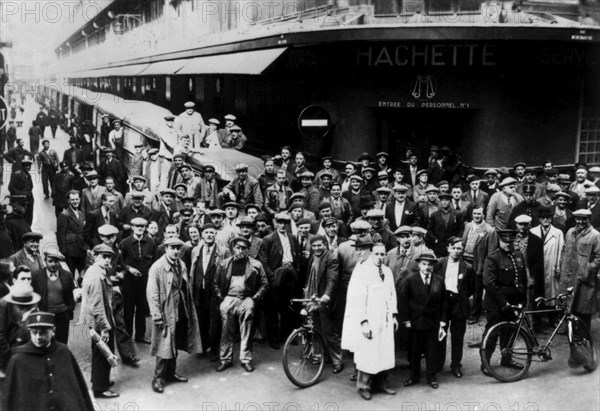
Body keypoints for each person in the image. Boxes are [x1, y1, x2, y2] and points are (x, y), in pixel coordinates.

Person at [342, 239, 398, 400]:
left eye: (382, 254)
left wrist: (393, 315)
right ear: (371, 254)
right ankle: (363, 386)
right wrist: (364, 322)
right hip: (370, 319)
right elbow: (357, 300)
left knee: (384, 351)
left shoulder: (387, 271)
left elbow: (391, 294)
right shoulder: (362, 271)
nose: (380, 257)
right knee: (368, 353)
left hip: (385, 319)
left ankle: (381, 383)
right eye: (377, 254)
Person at [3, 312, 94, 411]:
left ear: (53, 331)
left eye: (43, 332)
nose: (38, 337)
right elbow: (10, 399)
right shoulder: (18, 359)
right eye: (34, 332)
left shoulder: (63, 352)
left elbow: (78, 390)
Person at [147, 237, 202, 393]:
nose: (176, 251)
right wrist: (157, 315)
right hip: (166, 311)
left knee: (175, 343)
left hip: (180, 309)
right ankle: (158, 378)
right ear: (166, 249)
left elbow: (185, 287)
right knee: (164, 346)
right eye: (173, 248)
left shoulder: (181, 264)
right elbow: (152, 293)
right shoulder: (157, 268)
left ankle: (171, 374)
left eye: (178, 248)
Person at [214, 237, 268, 372]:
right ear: (233, 248)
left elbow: (264, 283)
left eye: (244, 248)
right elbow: (215, 283)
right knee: (226, 331)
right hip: (229, 299)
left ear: (248, 250)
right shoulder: (224, 264)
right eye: (238, 247)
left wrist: (254, 298)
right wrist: (222, 297)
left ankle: (246, 359)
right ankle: (225, 359)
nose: (240, 250)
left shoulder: (256, 264)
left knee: (247, 330)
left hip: (246, 299)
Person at [480, 229, 528, 376]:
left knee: (510, 332)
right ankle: (485, 363)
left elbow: (523, 280)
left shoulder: (519, 255)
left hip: (514, 303)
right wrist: (503, 303)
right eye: (505, 241)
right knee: (492, 333)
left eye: (510, 241)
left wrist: (522, 299)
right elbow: (489, 283)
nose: (508, 244)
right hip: (496, 303)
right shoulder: (492, 258)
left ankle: (506, 359)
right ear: (499, 241)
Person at [399, 253, 447, 389]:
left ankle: (431, 377)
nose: (427, 267)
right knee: (414, 351)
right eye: (424, 264)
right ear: (419, 265)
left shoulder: (439, 280)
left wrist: (442, 321)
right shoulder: (410, 280)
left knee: (432, 351)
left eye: (430, 264)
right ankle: (413, 376)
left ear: (433, 266)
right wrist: (406, 320)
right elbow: (404, 301)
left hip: (432, 322)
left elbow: (444, 302)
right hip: (416, 321)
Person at [81, 244, 119, 398]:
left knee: (100, 352)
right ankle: (100, 388)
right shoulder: (96, 276)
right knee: (103, 353)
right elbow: (97, 305)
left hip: (98, 319)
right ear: (96, 257)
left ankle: (99, 381)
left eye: (109, 256)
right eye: (104, 256)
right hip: (100, 321)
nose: (107, 259)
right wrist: (104, 328)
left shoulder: (97, 271)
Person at [190, 223, 231, 362]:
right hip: (199, 291)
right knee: (201, 320)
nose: (209, 235)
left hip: (215, 292)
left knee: (215, 321)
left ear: (215, 235)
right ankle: (203, 347)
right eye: (206, 232)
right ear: (202, 234)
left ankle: (215, 350)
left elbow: (228, 271)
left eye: (211, 232)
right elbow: (194, 270)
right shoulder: (196, 250)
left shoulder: (223, 251)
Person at [259, 212, 301, 349]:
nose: (282, 225)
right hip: (276, 275)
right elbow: (264, 261)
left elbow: (296, 256)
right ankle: (274, 339)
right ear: (275, 223)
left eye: (285, 222)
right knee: (273, 307)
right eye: (280, 222)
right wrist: (271, 276)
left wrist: (296, 270)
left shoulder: (292, 237)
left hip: (290, 274)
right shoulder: (268, 239)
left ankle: (286, 336)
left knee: (288, 306)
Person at [434, 237, 474, 377]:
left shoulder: (467, 267)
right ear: (448, 248)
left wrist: (461, 297)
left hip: (458, 304)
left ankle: (456, 365)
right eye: (454, 248)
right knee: (440, 334)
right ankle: (438, 364)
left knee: (457, 336)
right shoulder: (439, 263)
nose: (457, 251)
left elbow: (471, 288)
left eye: (459, 248)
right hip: (442, 303)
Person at [303, 235, 343, 373]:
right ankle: (324, 356)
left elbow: (332, 280)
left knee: (329, 331)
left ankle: (338, 360)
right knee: (317, 329)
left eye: (319, 245)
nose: (316, 248)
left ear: (325, 245)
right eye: (314, 246)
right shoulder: (312, 257)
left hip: (325, 300)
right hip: (313, 298)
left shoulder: (331, 258)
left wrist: (326, 295)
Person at [559, 209, 600, 331]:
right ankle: (571, 332)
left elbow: (599, 257)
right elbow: (564, 249)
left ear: (589, 219)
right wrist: (562, 264)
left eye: (584, 219)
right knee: (568, 305)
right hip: (568, 275)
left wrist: (588, 269)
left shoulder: (595, 235)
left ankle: (583, 335)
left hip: (585, 279)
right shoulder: (570, 232)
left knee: (583, 308)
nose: (581, 221)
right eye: (578, 218)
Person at [119, 217, 157, 344]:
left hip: (144, 280)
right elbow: (120, 261)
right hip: (129, 280)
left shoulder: (151, 242)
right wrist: (129, 268)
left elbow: (154, 261)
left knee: (142, 308)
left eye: (142, 226)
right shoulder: (125, 243)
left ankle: (140, 335)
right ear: (132, 227)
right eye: (137, 226)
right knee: (128, 308)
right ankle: (128, 335)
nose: (140, 228)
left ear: (145, 228)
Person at [31, 250, 76, 345]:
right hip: (46, 315)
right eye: (50, 261)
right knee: (46, 342)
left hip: (62, 315)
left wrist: (69, 310)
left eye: (56, 261)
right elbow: (33, 295)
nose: (53, 264)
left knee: (62, 342)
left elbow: (72, 296)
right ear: (45, 261)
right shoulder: (37, 275)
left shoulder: (67, 275)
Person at [462, 206, 497, 325]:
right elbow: (463, 242)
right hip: (465, 261)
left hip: (479, 263)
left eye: (479, 214)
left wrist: (486, 267)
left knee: (477, 291)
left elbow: (492, 252)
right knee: (464, 288)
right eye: (475, 214)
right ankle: (464, 311)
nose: (476, 216)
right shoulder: (467, 226)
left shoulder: (490, 230)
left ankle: (474, 314)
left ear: (484, 215)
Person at [530, 205, 564, 326]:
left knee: (552, 294)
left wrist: (558, 267)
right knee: (537, 293)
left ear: (551, 219)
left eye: (548, 218)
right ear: (539, 219)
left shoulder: (557, 233)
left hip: (551, 266)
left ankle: (553, 318)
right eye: (543, 218)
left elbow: (561, 251)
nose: (545, 220)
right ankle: (537, 320)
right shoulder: (532, 232)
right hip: (537, 268)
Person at [0, 282, 41, 377]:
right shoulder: (3, 305)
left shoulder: (33, 309)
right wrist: (9, 358)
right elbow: (1, 336)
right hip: (8, 354)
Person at [57, 190, 87, 282]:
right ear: (68, 201)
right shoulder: (64, 215)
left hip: (81, 249)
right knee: (70, 276)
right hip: (70, 251)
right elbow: (60, 235)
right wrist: (63, 251)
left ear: (80, 199)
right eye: (72, 200)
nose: (75, 202)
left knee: (84, 275)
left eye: (77, 199)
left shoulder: (81, 214)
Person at [9, 158, 35, 225]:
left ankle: (28, 229)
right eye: (26, 166)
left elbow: (30, 187)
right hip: (21, 200)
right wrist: (21, 194)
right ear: (22, 166)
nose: (28, 167)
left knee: (29, 216)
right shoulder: (17, 174)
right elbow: (11, 187)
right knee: (21, 217)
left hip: (29, 199)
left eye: (29, 166)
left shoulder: (28, 175)